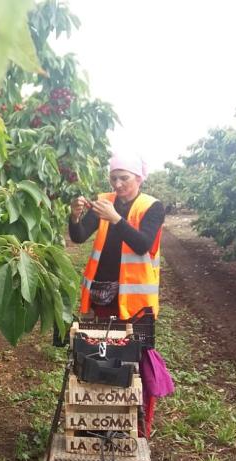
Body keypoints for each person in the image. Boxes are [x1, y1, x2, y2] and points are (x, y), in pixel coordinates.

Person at [68, 150, 174, 438]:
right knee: (100, 353)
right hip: (102, 296)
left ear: (138, 178)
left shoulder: (152, 207)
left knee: (137, 361)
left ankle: (138, 427)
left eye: (123, 178)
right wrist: (75, 217)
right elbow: (79, 237)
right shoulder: (104, 202)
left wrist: (116, 219)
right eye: (113, 178)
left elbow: (142, 244)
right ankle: (101, 424)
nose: (117, 185)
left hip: (136, 304)